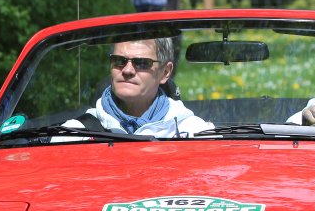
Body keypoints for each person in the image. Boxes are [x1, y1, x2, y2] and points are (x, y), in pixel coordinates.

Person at [66, 37, 213, 137]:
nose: (127, 70)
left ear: (165, 72)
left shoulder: (196, 134)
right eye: (119, 61)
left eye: (142, 63)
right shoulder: (74, 135)